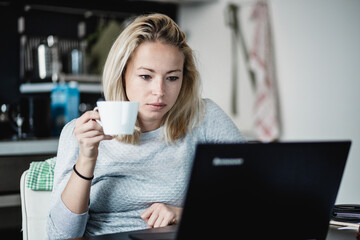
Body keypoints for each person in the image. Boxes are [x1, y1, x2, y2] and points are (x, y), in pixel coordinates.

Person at [46, 13, 245, 239]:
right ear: (122, 75)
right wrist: (87, 158)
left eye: (172, 78)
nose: (159, 91)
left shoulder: (204, 117)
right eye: (145, 76)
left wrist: (184, 213)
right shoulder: (81, 132)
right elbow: (60, 235)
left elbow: (252, 193)